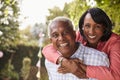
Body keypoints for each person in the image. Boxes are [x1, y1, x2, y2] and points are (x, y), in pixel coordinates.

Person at [42, 7, 120, 80]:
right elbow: (48, 49)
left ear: (105, 27)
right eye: (87, 26)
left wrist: (80, 68)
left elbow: (116, 76)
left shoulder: (115, 42)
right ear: (82, 27)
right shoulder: (79, 35)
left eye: (97, 26)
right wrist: (64, 61)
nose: (91, 31)